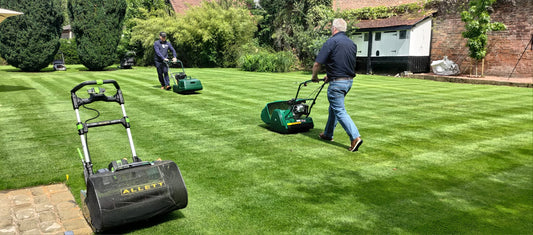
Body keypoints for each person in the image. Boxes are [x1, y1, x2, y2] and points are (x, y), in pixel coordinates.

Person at [311, 18, 363, 152]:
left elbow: (317, 63)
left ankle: (355, 137)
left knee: (339, 110)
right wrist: (331, 75)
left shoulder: (331, 42)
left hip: (337, 83)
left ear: (334, 29)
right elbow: (343, 62)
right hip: (348, 82)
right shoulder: (352, 44)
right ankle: (328, 134)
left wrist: (314, 77)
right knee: (334, 108)